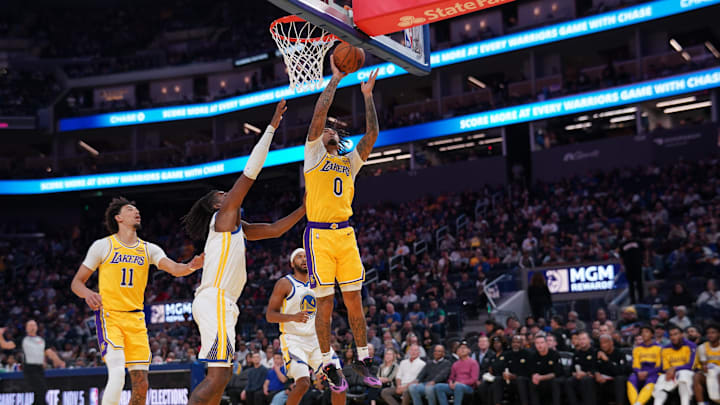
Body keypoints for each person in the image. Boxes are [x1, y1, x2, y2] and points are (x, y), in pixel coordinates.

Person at [183, 100, 308, 405]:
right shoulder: (222, 218)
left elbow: (277, 229)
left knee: (222, 377)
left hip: (223, 303)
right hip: (215, 299)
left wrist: (306, 208)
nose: (229, 197)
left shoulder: (240, 228)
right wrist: (272, 128)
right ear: (217, 204)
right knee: (216, 377)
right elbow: (250, 173)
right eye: (223, 195)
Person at [71, 197, 204, 405]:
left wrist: (192, 266)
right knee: (116, 373)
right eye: (130, 209)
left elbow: (175, 269)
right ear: (118, 218)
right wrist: (88, 294)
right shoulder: (103, 246)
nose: (136, 212)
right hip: (110, 315)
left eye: (137, 209)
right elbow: (77, 283)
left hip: (136, 320)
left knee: (142, 386)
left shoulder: (148, 249)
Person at [302, 53, 381, 391]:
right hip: (319, 237)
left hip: (346, 236)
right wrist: (335, 78)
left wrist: (366, 96)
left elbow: (372, 134)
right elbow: (319, 114)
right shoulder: (314, 154)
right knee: (326, 303)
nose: (330, 129)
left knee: (354, 302)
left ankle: (363, 358)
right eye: (327, 129)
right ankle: (324, 362)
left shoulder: (349, 162)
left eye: (335, 129)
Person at [264, 248, 345, 405]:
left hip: (316, 340)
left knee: (339, 382)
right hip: (294, 340)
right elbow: (270, 315)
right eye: (299, 257)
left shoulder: (318, 283)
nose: (304, 259)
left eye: (306, 257)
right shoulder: (285, 283)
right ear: (292, 263)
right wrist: (293, 317)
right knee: (303, 383)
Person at [21, 320, 65, 405]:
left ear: (37, 327)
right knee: (41, 390)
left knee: (40, 392)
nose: (32, 327)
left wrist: (58, 361)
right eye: (30, 325)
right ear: (26, 328)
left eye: (34, 325)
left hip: (39, 369)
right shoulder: (23, 340)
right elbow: (8, 345)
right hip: (29, 369)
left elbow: (50, 352)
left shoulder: (41, 340)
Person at [652, 325, 696, 405]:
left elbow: (691, 365)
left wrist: (675, 368)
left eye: (675, 334)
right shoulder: (665, 349)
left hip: (688, 373)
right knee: (661, 380)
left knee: (683, 375)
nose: (673, 337)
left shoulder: (691, 346)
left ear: (682, 335)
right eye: (671, 335)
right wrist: (670, 370)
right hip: (671, 374)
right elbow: (664, 367)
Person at [627, 325, 662, 405]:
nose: (644, 334)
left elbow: (659, 366)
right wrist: (638, 372)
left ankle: (639, 403)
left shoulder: (659, 348)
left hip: (653, 373)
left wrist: (647, 373)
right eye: (642, 332)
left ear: (652, 335)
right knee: (631, 379)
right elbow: (635, 364)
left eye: (646, 332)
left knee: (651, 380)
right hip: (640, 372)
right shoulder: (637, 349)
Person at [491, 334, 529, 405]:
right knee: (497, 379)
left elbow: (529, 371)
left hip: (523, 379)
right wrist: (504, 374)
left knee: (520, 380)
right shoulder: (507, 354)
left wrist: (515, 376)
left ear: (522, 343)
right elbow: (501, 367)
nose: (515, 344)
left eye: (518, 342)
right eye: (514, 342)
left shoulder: (527, 354)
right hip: (509, 379)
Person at [528, 334, 563, 405]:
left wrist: (541, 377)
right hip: (540, 380)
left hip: (552, 379)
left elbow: (556, 373)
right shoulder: (533, 356)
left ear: (546, 343)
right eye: (537, 343)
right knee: (532, 383)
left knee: (554, 383)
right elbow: (532, 371)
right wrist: (534, 376)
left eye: (541, 342)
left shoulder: (555, 354)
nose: (539, 345)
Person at [595, 334, 630, 405]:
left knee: (619, 379)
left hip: (616, 382)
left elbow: (620, 372)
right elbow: (594, 367)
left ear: (611, 343)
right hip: (603, 382)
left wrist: (607, 360)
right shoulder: (598, 353)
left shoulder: (620, 353)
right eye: (601, 343)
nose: (603, 345)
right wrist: (596, 373)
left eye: (605, 342)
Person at [566, 331, 598, 405]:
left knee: (586, 380)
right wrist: (575, 374)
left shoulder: (595, 352)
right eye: (580, 339)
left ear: (589, 340)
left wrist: (585, 374)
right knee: (569, 381)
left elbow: (597, 368)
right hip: (578, 376)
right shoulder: (576, 354)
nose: (581, 341)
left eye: (584, 339)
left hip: (592, 377)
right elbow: (571, 370)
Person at [693, 323, 720, 405]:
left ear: (719, 334)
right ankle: (701, 403)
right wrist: (704, 367)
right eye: (708, 333)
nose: (710, 335)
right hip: (709, 373)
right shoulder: (702, 347)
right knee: (696, 376)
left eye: (713, 332)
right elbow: (703, 363)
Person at [618, 229, 643, 303]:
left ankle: (641, 299)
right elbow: (621, 257)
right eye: (625, 233)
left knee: (639, 282)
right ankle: (633, 300)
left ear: (631, 233)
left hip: (637, 264)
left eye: (627, 232)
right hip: (628, 266)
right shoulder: (622, 244)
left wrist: (646, 260)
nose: (626, 234)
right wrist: (622, 266)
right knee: (631, 284)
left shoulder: (637, 241)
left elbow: (644, 251)